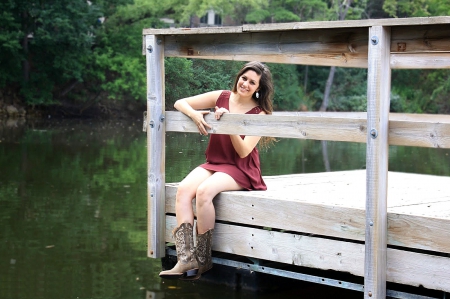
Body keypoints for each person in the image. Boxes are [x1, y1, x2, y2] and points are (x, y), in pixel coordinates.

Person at [159, 61, 274, 280]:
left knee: (204, 192)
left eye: (252, 82)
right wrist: (196, 115)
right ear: (238, 77)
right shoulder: (221, 96)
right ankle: (185, 260)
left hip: (241, 168)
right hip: (215, 161)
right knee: (183, 190)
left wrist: (228, 123)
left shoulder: (261, 114)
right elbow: (179, 102)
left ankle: (203, 260)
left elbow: (243, 152)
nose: (245, 84)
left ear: (258, 88)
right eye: (244, 78)